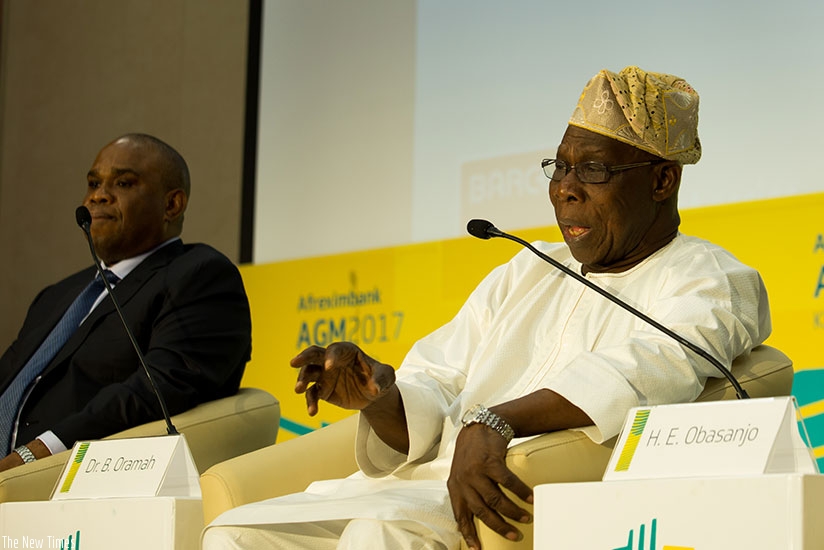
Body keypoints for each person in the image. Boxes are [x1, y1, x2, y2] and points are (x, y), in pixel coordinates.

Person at [202, 66, 771, 550]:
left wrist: (496, 419)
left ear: (662, 180)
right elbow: (440, 377)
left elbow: (647, 370)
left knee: (375, 534)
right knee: (234, 535)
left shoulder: (714, 280)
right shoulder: (530, 268)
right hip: (407, 489)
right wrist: (382, 398)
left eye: (593, 170)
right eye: (560, 167)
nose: (565, 189)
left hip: (494, 500)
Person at [0, 133, 252, 471]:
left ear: (172, 205)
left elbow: (158, 388)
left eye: (123, 183)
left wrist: (35, 455)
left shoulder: (200, 275)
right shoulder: (56, 295)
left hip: (68, 476)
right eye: (93, 184)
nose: (98, 196)